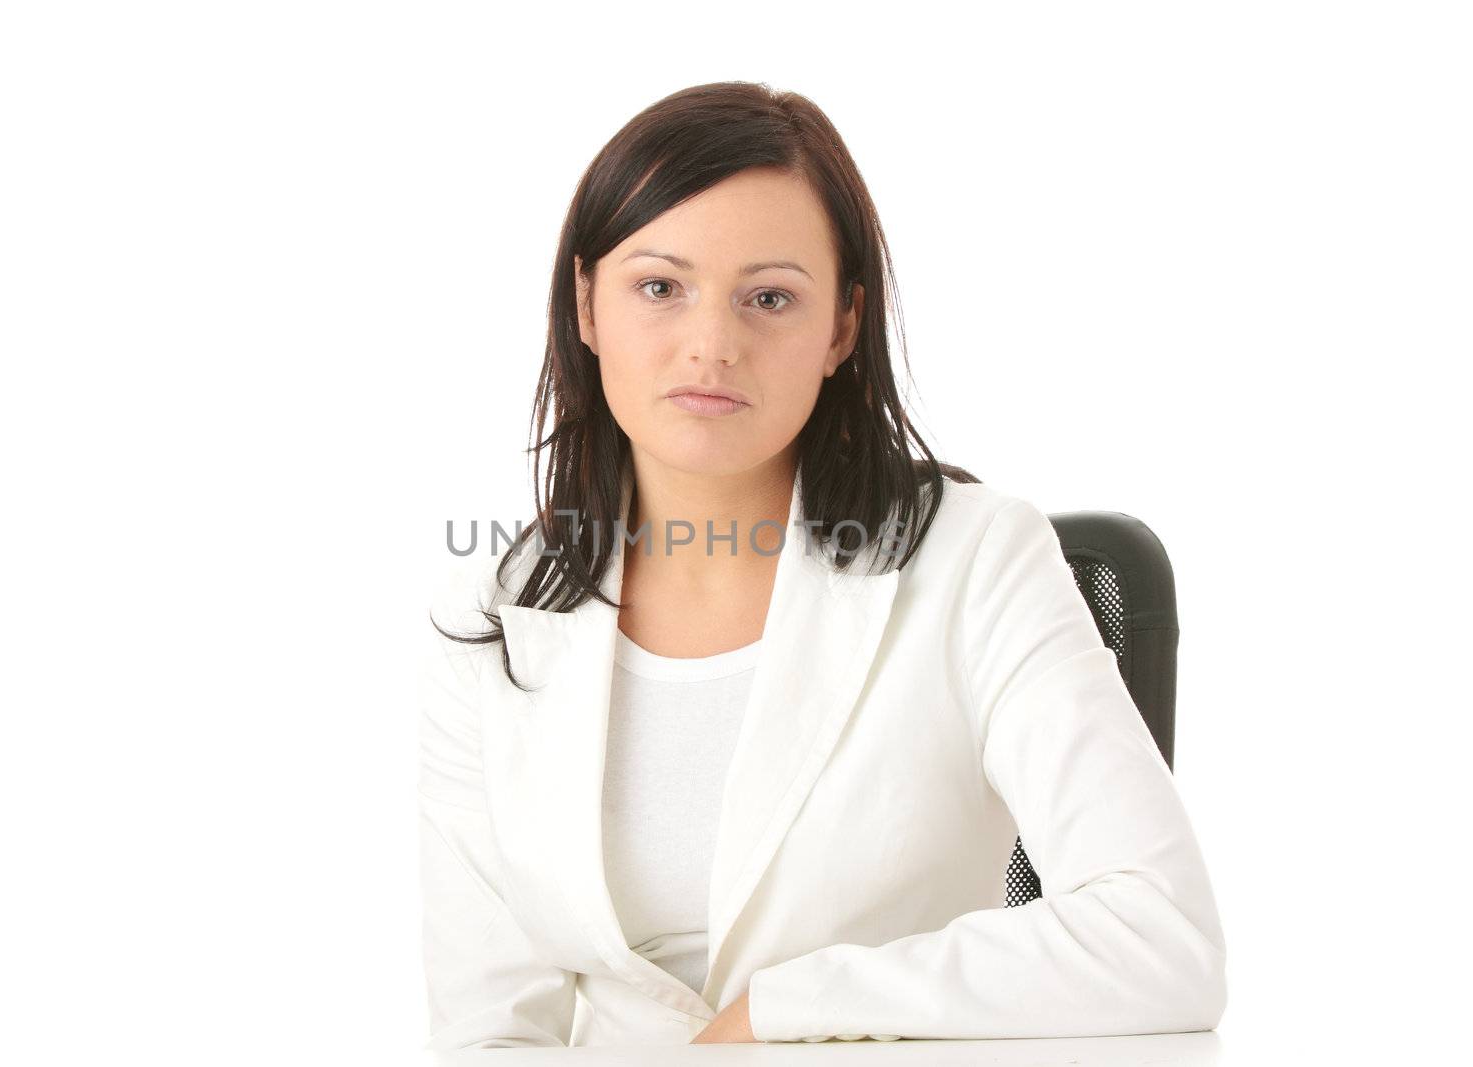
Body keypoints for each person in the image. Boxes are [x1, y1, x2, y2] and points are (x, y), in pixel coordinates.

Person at [417, 80, 1227, 1049]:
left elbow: (1158, 940)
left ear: (841, 327)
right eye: (659, 286)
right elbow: (489, 1028)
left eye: (769, 297)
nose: (711, 345)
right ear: (586, 303)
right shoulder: (497, 610)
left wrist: (786, 1012)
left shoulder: (977, 560)